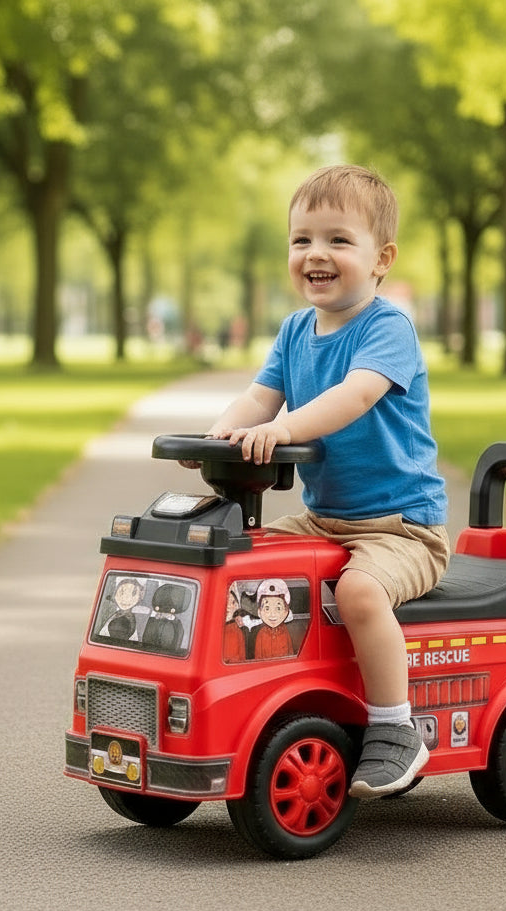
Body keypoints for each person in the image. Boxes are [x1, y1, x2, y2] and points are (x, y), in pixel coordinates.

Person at [186, 164, 450, 797]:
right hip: (325, 517)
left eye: (338, 239)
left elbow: (354, 397)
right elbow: (259, 396)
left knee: (358, 593)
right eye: (302, 239)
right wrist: (221, 432)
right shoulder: (294, 331)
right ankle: (262, 685)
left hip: (401, 527)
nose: (316, 254)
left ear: (381, 259)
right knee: (247, 561)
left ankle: (394, 728)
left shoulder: (387, 328)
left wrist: (282, 429)